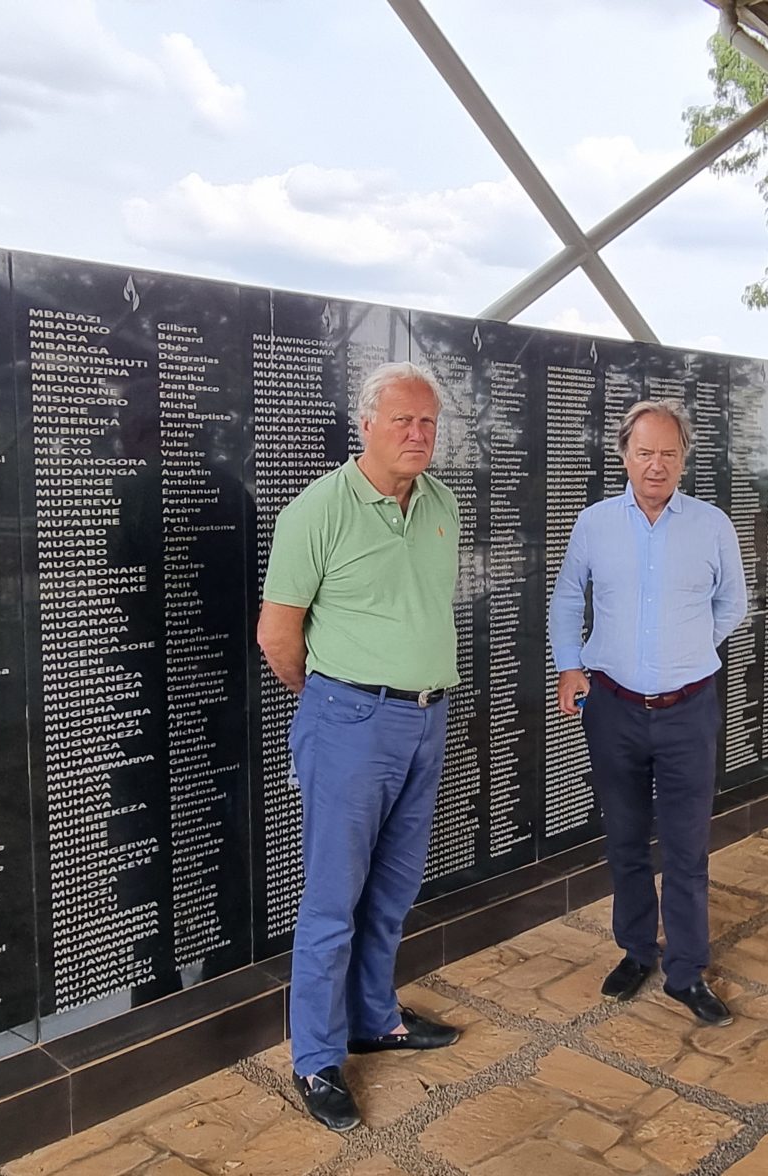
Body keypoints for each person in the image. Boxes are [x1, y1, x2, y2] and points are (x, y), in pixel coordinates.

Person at [257, 361, 461, 1132]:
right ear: (367, 425)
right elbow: (278, 635)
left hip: (425, 720)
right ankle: (315, 1058)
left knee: (395, 888)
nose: (418, 435)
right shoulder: (317, 511)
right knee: (333, 901)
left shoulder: (441, 504)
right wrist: (334, 703)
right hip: (348, 722)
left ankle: (376, 1017)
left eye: (429, 423)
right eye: (403, 421)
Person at [549, 399, 748, 1026]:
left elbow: (732, 605)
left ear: (684, 457)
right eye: (644, 452)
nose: (655, 465)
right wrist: (570, 664)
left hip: (689, 708)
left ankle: (686, 972)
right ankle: (637, 950)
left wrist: (686, 649)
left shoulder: (712, 525)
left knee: (687, 848)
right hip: (613, 708)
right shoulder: (594, 524)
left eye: (668, 453)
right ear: (624, 455)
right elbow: (564, 599)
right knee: (626, 838)